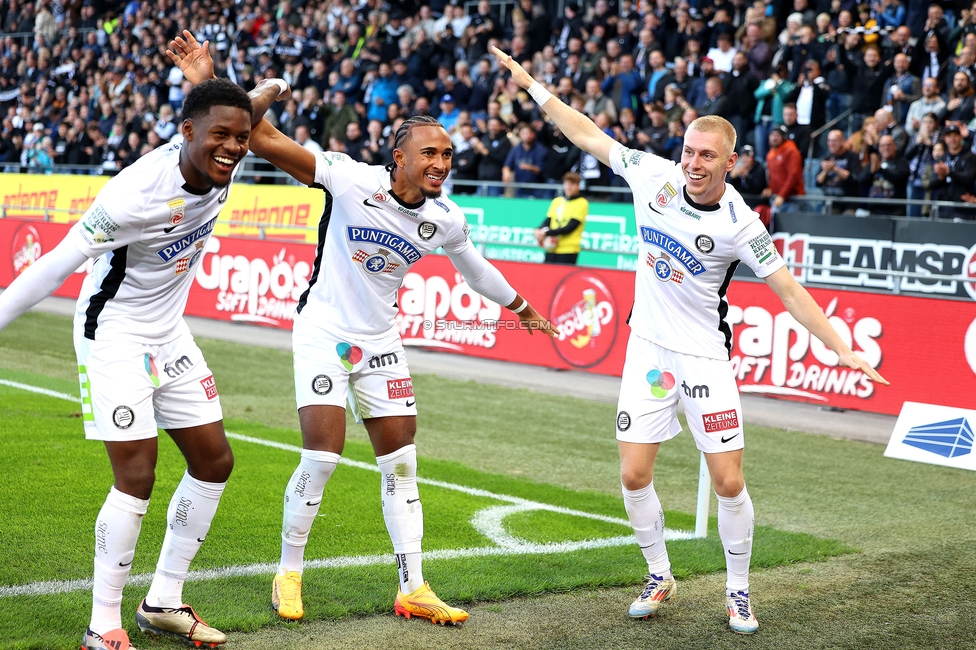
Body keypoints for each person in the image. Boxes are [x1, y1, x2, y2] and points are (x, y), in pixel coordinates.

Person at [490, 43, 888, 636]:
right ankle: (659, 575)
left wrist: (840, 346)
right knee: (633, 476)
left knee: (729, 482)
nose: (693, 163)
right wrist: (534, 87)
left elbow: (789, 290)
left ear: (731, 162)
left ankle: (738, 590)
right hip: (647, 350)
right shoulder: (653, 176)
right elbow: (588, 133)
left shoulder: (742, 225)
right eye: (688, 151)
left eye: (706, 155)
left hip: (704, 359)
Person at [167, 34, 559, 627]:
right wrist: (259, 87)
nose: (441, 164)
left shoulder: (444, 218)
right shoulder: (350, 180)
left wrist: (522, 306)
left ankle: (414, 586)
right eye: (429, 153)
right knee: (322, 457)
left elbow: (476, 269)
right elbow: (262, 138)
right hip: (324, 331)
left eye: (448, 155)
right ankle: (288, 573)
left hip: (380, 343)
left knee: (401, 463)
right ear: (397, 157)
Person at [0, 64, 286, 649]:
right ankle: (102, 626)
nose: (233, 148)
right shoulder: (134, 194)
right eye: (220, 136)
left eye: (240, 138)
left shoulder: (228, 141)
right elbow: (56, 263)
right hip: (115, 331)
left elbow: (252, 102)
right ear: (185, 131)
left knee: (215, 462)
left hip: (169, 333)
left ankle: (163, 601)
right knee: (137, 474)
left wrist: (267, 88)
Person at [535, 171, 588, 264]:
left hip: (568, 250)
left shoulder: (582, 203)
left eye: (572, 184)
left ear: (578, 186)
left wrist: (547, 233)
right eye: (566, 184)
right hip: (552, 248)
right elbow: (548, 220)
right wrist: (538, 230)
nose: (568, 187)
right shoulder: (557, 201)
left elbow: (570, 227)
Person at [763, 125, 806, 213]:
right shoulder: (770, 154)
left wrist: (782, 195)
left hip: (793, 198)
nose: (774, 138)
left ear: (783, 137)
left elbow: (793, 175)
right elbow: (772, 176)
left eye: (777, 135)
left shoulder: (791, 151)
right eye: (772, 135)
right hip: (777, 198)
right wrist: (770, 188)